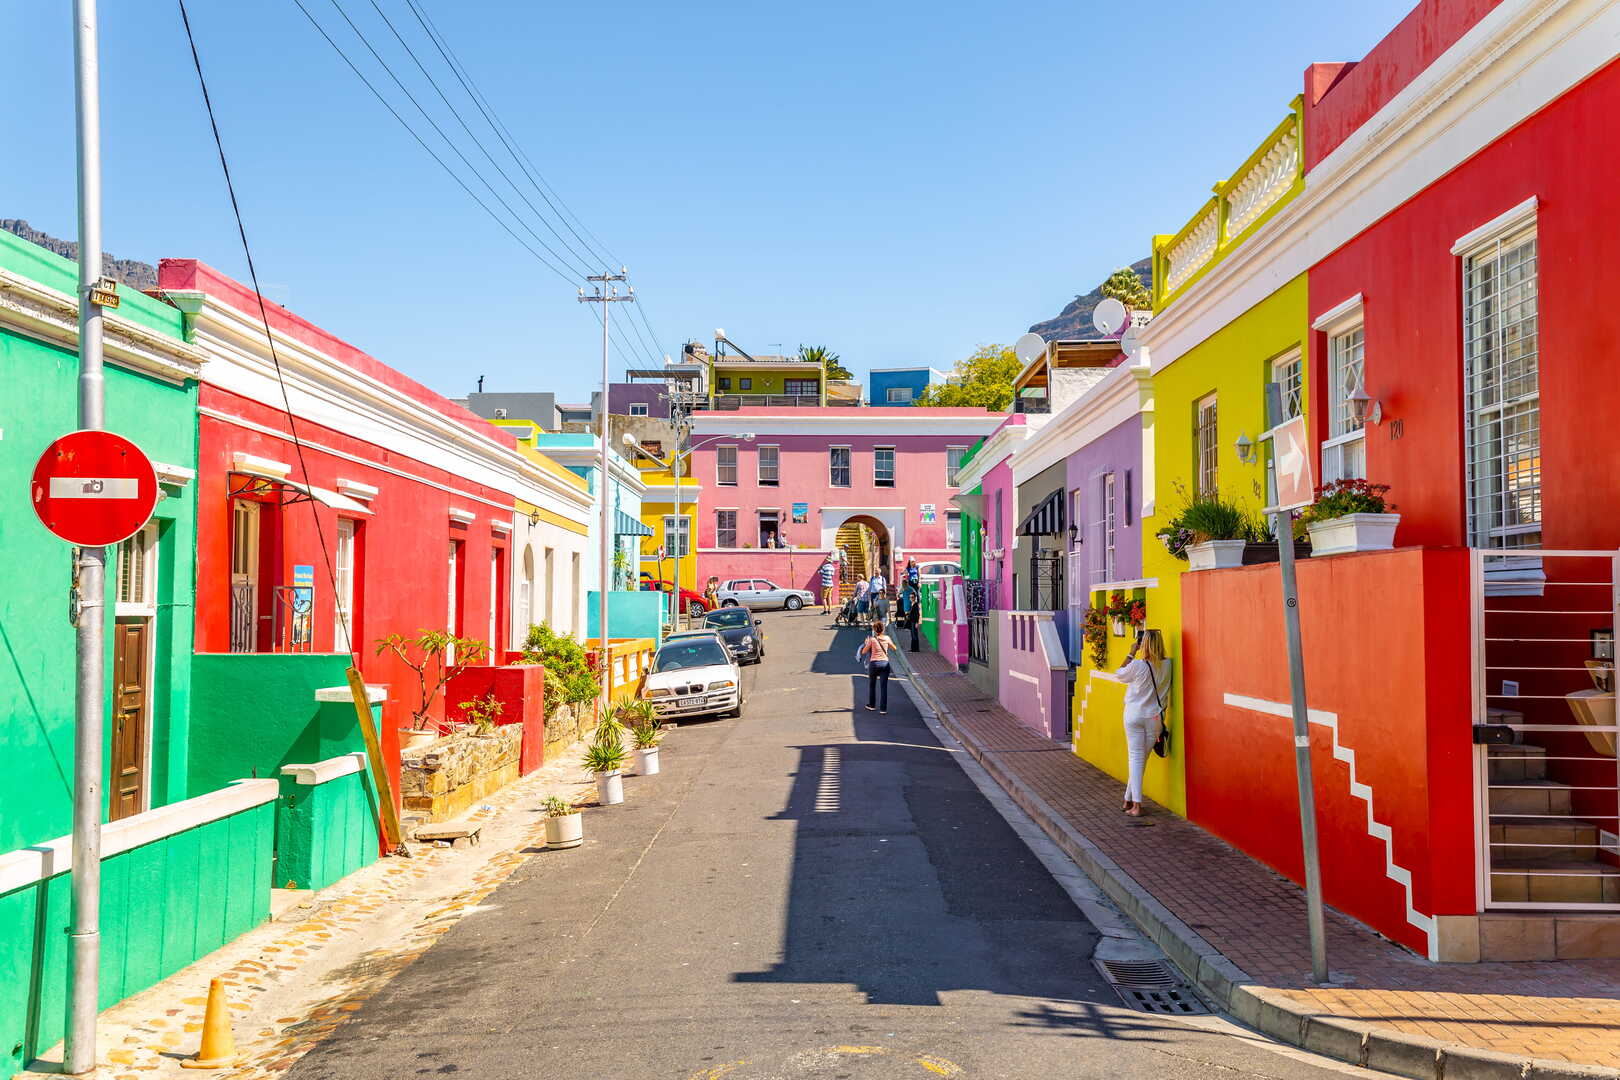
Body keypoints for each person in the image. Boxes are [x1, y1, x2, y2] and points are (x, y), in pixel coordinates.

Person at [1117, 629, 1170, 817]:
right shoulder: (1168, 665)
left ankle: (1137, 805)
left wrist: (1131, 652)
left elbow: (1119, 673)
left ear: (1143, 644)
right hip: (1154, 718)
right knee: (1140, 760)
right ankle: (1127, 799)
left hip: (1134, 716)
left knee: (1136, 758)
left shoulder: (1138, 665)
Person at [857, 619, 898, 713]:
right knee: (884, 687)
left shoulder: (872, 639)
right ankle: (883, 709)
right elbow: (894, 648)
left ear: (875, 630)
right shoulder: (887, 638)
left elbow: (864, 651)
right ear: (883, 629)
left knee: (872, 685)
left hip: (874, 664)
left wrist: (866, 643)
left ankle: (872, 705)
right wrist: (887, 645)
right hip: (885, 663)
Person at [901, 579, 922, 651]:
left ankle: (915, 649)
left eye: (912, 597)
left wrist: (917, 622)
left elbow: (917, 614)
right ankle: (913, 648)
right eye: (910, 597)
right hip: (911, 619)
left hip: (914, 621)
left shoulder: (915, 605)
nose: (911, 598)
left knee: (914, 635)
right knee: (912, 634)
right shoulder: (912, 604)